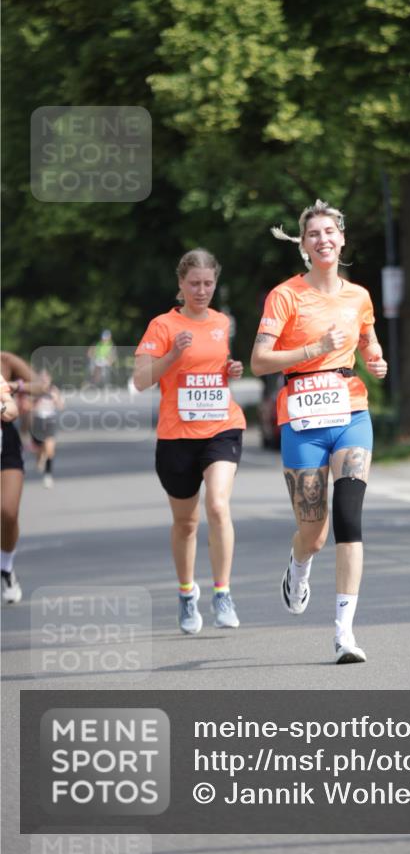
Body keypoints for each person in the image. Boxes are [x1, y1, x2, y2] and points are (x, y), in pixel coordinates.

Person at [250, 199, 388, 664]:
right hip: (303, 420)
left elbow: (367, 336)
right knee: (313, 531)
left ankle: (344, 634)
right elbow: (259, 361)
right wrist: (314, 347)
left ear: (342, 238)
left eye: (330, 232)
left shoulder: (359, 296)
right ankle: (299, 566)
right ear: (304, 246)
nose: (323, 239)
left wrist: (375, 359)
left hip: (350, 412)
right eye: (313, 234)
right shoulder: (285, 296)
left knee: (349, 518)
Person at [133, 249, 246, 635]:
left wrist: (231, 370)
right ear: (180, 284)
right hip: (176, 436)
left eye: (208, 283)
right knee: (186, 523)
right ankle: (186, 593)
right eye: (194, 283)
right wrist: (173, 355)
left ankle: (223, 592)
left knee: (217, 504)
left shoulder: (221, 321)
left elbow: (215, 371)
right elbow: (141, 379)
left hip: (221, 426)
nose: (201, 290)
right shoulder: (162, 325)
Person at [1, 351, 45, 604]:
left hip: (4, 443)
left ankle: (6, 567)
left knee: (8, 512)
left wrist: (15, 386)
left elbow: (40, 386)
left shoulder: (4, 362)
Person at [30, 369, 65, 488]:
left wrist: (56, 400)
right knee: (40, 448)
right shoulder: (34, 391)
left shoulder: (54, 390)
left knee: (50, 449)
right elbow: (27, 407)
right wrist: (36, 401)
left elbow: (61, 406)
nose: (44, 380)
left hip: (50, 421)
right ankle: (40, 458)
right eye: (42, 378)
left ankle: (48, 475)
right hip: (38, 421)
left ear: (50, 379)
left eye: (46, 378)